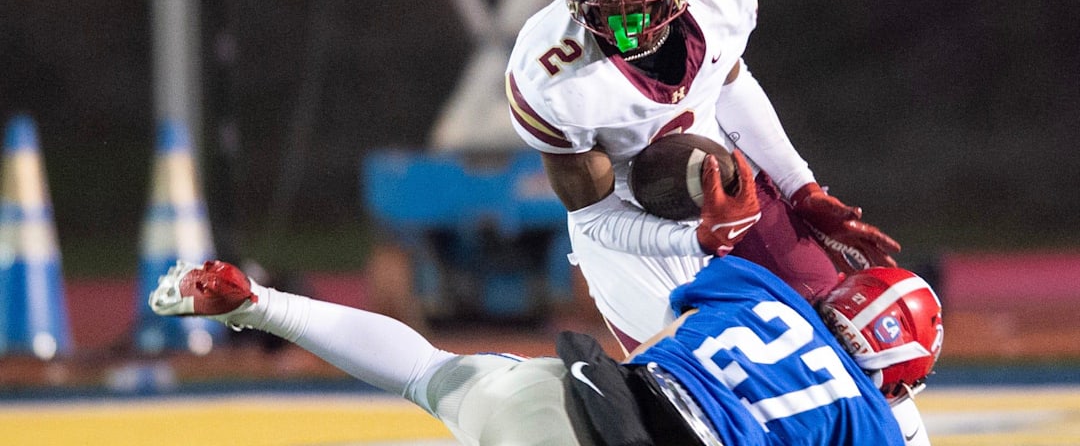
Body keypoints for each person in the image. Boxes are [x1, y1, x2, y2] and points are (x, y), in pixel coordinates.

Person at [504, 0, 901, 351]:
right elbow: (595, 217)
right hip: (632, 234)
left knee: (842, 331)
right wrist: (693, 241)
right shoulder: (549, 74)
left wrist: (801, 189)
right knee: (694, 382)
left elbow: (730, 85)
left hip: (729, 181)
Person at [149, 253, 941, 445]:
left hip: (575, 396)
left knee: (431, 373)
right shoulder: (874, 418)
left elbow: (660, 324)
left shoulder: (753, 287)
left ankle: (260, 303)